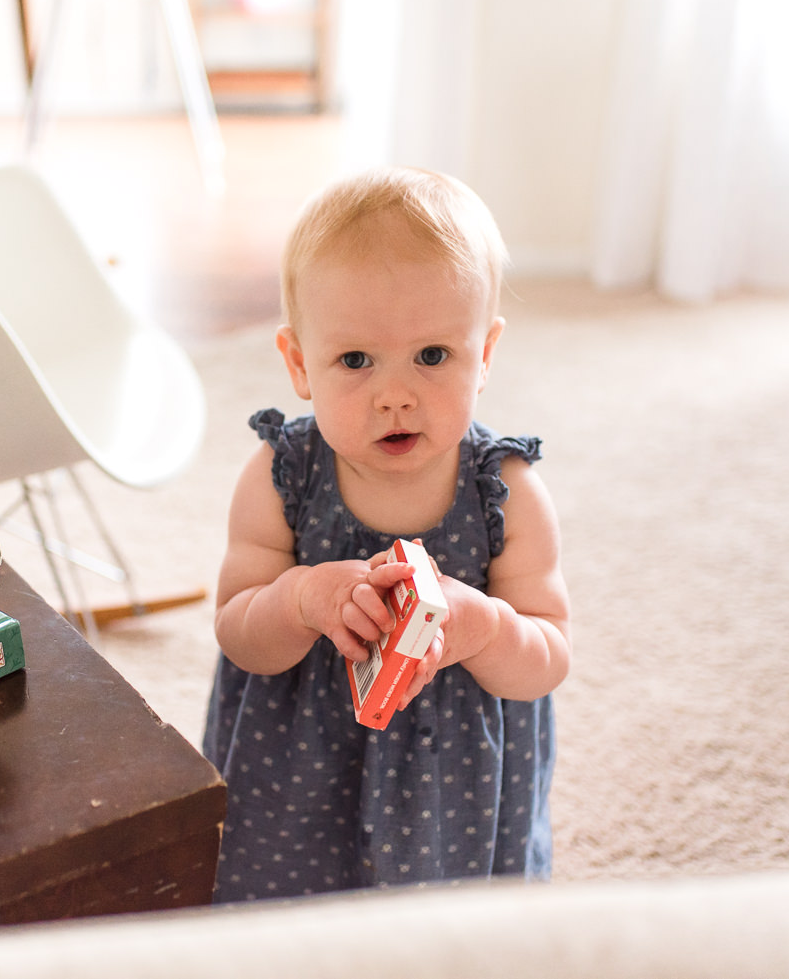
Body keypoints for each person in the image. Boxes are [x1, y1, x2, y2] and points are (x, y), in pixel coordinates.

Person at [202, 166, 572, 903]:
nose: (395, 394)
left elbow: (550, 655)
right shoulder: (284, 477)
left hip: (455, 784)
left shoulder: (507, 492)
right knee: (286, 914)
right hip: (301, 766)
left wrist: (485, 627)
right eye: (356, 360)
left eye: (433, 356)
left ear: (485, 352)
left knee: (449, 933)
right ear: (300, 364)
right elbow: (237, 632)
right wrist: (302, 596)